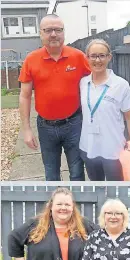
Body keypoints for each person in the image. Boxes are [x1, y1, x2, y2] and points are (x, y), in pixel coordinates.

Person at [19, 14, 91, 181]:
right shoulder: (31, 60)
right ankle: (55, 206)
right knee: (51, 174)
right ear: (41, 33)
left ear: (63, 32)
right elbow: (24, 96)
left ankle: (76, 205)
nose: (53, 34)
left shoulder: (78, 57)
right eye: (48, 30)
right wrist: (27, 130)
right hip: (46, 127)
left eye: (58, 30)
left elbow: (95, 83)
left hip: (74, 124)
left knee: (77, 171)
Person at [79, 39, 130, 181]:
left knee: (116, 191)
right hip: (89, 147)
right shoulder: (83, 83)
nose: (97, 60)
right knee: (96, 188)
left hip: (113, 149)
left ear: (109, 57)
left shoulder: (121, 85)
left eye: (102, 55)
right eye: (93, 56)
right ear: (87, 58)